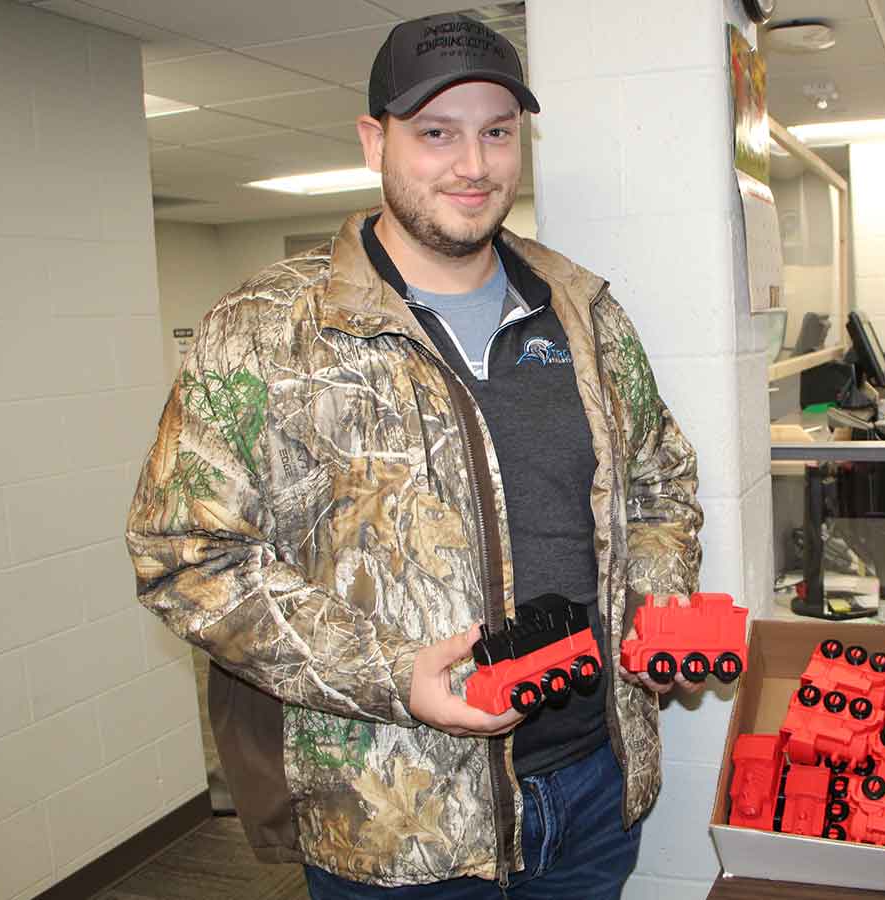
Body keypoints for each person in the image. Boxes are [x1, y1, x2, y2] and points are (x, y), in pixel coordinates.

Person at [125, 13, 703, 900]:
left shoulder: (585, 311)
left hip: (590, 790)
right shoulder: (262, 333)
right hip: (395, 821)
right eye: (436, 132)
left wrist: (654, 607)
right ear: (374, 140)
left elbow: (659, 486)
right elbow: (185, 560)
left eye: (496, 133)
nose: (473, 165)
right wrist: (392, 675)